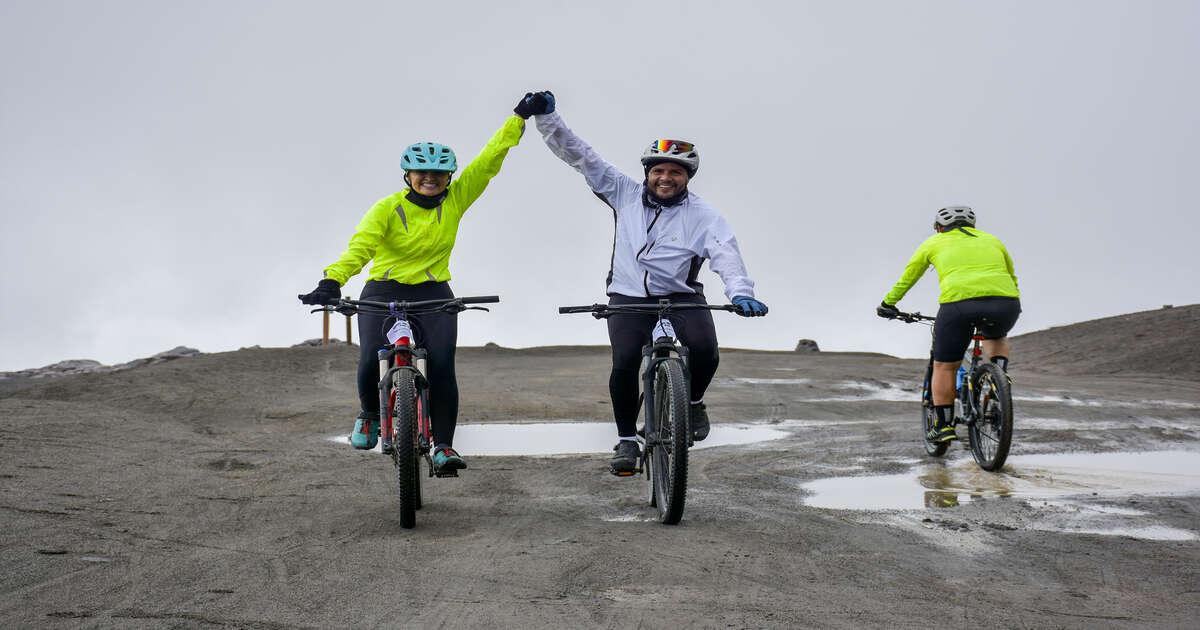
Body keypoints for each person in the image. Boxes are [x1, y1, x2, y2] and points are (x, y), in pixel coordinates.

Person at [521, 90, 768, 476]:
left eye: (675, 172)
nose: (665, 178)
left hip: (681, 297)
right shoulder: (624, 193)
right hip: (628, 297)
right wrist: (548, 119)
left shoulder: (704, 215)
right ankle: (626, 439)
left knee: (706, 350)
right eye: (658, 170)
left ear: (687, 177)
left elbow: (725, 253)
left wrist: (741, 292)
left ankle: (693, 402)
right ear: (648, 173)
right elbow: (581, 155)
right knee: (623, 363)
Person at [298, 97, 534, 471]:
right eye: (421, 173)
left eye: (439, 173)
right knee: (370, 357)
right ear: (407, 176)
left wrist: (518, 118)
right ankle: (369, 415)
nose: (430, 178)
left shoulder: (455, 200)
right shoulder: (387, 208)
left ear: (449, 177)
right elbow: (360, 248)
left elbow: (490, 161)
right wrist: (332, 279)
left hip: (433, 293)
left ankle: (443, 447)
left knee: (441, 366)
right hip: (383, 290)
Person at [876, 206, 1021, 443]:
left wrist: (888, 303)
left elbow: (909, 276)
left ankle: (943, 425)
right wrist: (1010, 300)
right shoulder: (994, 241)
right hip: (1005, 304)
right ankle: (998, 381)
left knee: (945, 365)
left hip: (959, 306)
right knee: (996, 336)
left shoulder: (934, 242)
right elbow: (1012, 276)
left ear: (939, 227)